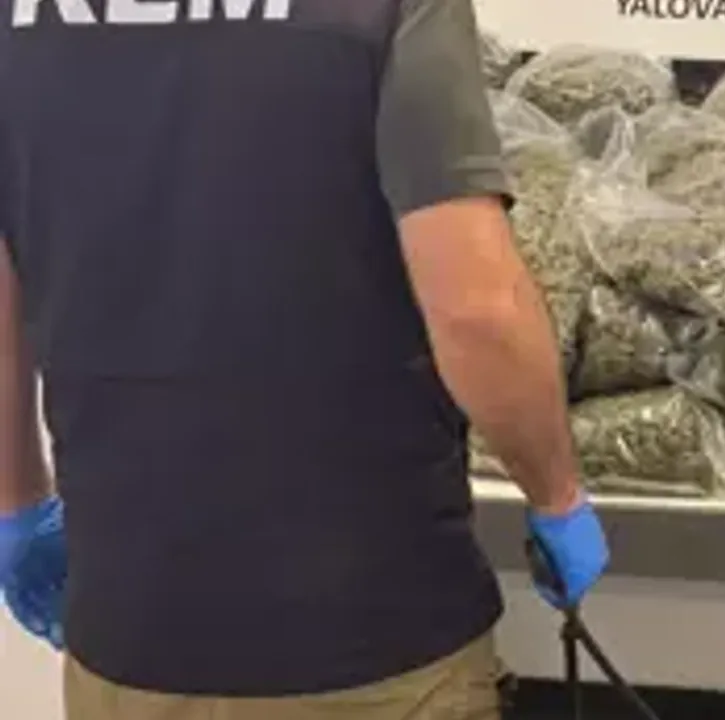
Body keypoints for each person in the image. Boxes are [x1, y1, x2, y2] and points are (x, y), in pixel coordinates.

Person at [0, 0, 610, 718]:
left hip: (130, 638)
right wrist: (554, 494)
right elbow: (476, 308)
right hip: (373, 647)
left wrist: (17, 504)